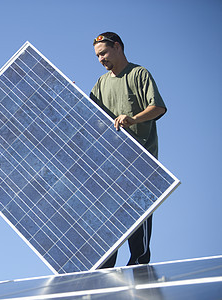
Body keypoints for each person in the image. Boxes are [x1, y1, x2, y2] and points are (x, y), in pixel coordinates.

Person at [89, 32, 167, 268]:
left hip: (141, 162)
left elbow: (158, 108)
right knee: (109, 221)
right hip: (113, 164)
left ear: (118, 47)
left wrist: (132, 119)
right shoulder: (101, 83)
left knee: (137, 220)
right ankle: (103, 271)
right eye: (97, 56)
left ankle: (139, 265)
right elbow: (88, 117)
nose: (101, 59)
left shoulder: (138, 74)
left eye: (103, 53)